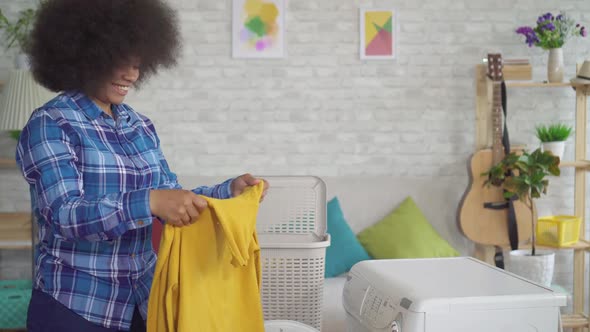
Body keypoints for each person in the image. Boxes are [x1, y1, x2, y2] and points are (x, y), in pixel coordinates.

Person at [16, 0, 268, 331]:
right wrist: (148, 201)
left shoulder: (139, 125)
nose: (130, 74)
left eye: (136, 63)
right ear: (85, 55)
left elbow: (171, 195)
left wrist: (227, 191)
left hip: (143, 302)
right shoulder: (51, 123)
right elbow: (65, 215)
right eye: (119, 61)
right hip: (76, 306)